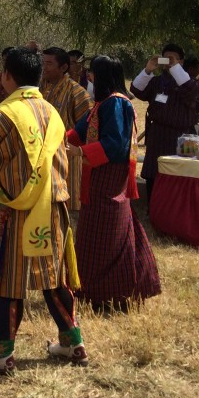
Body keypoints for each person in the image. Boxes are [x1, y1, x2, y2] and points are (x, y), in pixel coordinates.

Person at [0, 46, 86, 371]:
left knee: (10, 280)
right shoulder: (51, 112)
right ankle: (73, 344)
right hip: (52, 206)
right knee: (54, 278)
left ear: (7, 76)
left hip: (15, 209)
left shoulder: (5, 114)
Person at [67, 55, 161, 312]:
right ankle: (89, 290)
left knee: (108, 234)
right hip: (97, 178)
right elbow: (78, 131)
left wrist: (82, 152)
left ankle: (111, 294)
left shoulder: (117, 104)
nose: (89, 77)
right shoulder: (100, 105)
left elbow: (116, 145)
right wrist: (57, 140)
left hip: (110, 179)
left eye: (92, 73)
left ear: (102, 76)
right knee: (93, 232)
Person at [130, 43, 199, 202]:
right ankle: (153, 207)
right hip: (158, 134)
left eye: (173, 59)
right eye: (166, 58)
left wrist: (175, 68)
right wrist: (148, 69)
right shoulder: (156, 82)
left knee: (181, 174)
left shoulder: (190, 83)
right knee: (153, 171)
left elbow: (191, 92)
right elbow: (136, 90)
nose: (168, 62)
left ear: (181, 62)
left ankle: (177, 210)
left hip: (183, 136)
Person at [40, 46, 93, 210]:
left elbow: (87, 128)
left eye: (49, 63)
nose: (44, 67)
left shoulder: (77, 92)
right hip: (41, 150)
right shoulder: (39, 87)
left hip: (65, 154)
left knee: (65, 204)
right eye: (43, 63)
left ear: (63, 67)